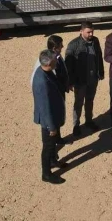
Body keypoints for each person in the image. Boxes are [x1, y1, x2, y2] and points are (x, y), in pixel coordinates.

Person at [32, 49, 67, 185]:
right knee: (47, 146)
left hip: (54, 116)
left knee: (52, 145)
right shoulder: (41, 81)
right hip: (48, 121)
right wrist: (51, 127)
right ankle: (46, 174)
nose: (57, 62)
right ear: (48, 63)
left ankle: (53, 161)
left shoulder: (47, 72)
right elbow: (45, 107)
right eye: (54, 60)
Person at [65, 22, 104, 136]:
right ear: (81, 31)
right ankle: (76, 125)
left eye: (92, 31)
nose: (91, 34)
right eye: (88, 32)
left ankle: (89, 121)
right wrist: (70, 81)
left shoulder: (95, 41)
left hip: (93, 79)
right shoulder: (73, 45)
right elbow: (69, 64)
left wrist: (100, 72)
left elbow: (99, 56)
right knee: (78, 102)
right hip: (80, 80)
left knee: (90, 100)